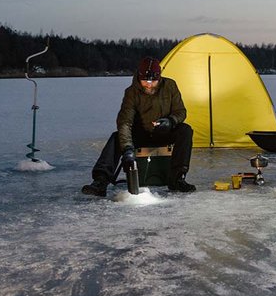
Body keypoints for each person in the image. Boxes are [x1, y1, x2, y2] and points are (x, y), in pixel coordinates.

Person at [81, 56, 196, 196]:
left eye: (153, 81)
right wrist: (128, 148)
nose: (149, 85)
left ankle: (178, 178)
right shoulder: (131, 92)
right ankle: (100, 181)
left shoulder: (170, 86)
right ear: (139, 77)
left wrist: (171, 121)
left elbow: (181, 111)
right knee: (116, 137)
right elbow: (125, 122)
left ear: (159, 78)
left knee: (185, 130)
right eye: (145, 81)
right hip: (141, 134)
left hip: (163, 131)